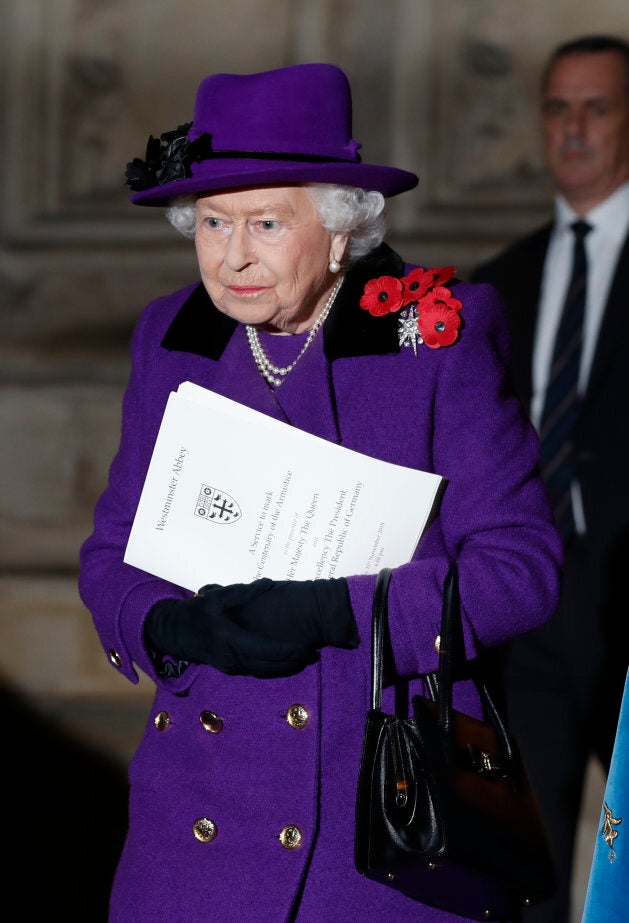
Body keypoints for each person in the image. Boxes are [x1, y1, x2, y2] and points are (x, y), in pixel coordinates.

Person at [79, 62, 561, 922]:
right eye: (214, 223)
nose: (233, 256)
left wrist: (338, 613)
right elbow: (111, 550)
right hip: (196, 820)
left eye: (267, 222)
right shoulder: (172, 337)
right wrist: (164, 623)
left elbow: (520, 570)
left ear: (340, 229)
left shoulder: (431, 342)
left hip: (374, 817)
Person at [470, 35, 629, 923]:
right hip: (531, 612)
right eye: (556, 108)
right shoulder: (502, 279)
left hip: (628, 593)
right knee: (522, 861)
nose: (572, 128)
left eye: (596, 107)